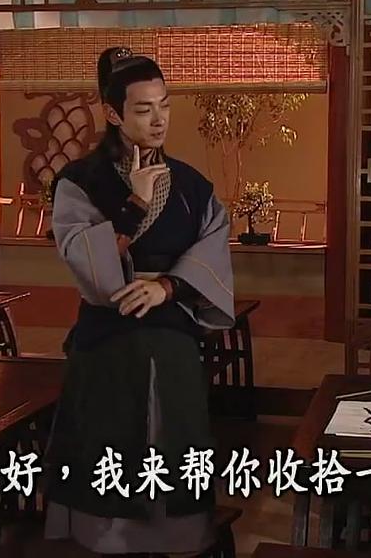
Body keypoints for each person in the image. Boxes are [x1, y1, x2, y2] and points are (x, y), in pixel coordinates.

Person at [42, 46, 236, 557]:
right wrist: (136, 204)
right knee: (107, 433)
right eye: (144, 109)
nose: (158, 120)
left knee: (177, 434)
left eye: (164, 106)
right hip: (108, 331)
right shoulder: (79, 181)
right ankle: (106, 536)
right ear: (113, 113)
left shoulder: (192, 184)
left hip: (171, 329)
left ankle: (180, 536)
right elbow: (86, 260)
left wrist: (167, 287)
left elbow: (212, 246)